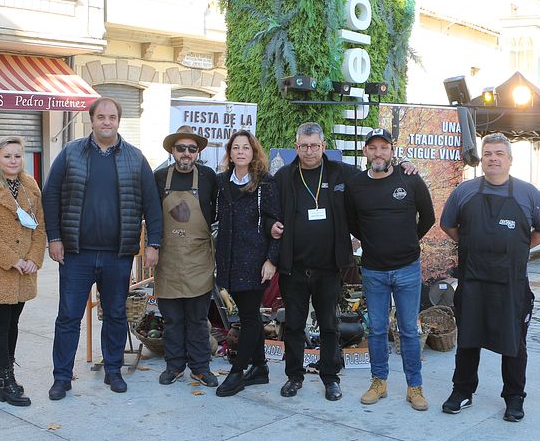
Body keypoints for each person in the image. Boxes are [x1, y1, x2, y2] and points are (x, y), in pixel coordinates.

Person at [271, 123, 417, 401]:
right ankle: (294, 375)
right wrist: (271, 225)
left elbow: (377, 172)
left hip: (329, 266)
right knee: (293, 325)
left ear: (323, 146)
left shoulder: (341, 173)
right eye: (304, 146)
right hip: (294, 266)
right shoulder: (283, 176)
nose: (310, 151)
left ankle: (330, 377)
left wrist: (403, 163)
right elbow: (267, 209)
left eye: (315, 145)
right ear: (296, 146)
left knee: (328, 325)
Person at [42, 97, 162, 400]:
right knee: (68, 316)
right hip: (76, 254)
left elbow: (152, 204)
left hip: (117, 255)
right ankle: (62, 377)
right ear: (91, 120)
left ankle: (113, 370)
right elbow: (51, 195)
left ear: (118, 121)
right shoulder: (71, 153)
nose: (106, 122)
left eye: (112, 117)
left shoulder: (135, 158)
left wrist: (154, 244)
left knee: (115, 315)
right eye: (101, 117)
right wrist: (54, 237)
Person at [440, 133, 540, 422]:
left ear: (510, 160)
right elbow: (448, 225)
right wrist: (470, 243)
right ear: (482, 159)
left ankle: (514, 398)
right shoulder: (464, 192)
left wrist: (519, 247)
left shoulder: (528, 194)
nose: (493, 158)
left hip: (511, 285)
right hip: (473, 281)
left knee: (514, 343)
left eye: (499, 153)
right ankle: (462, 391)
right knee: (468, 340)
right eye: (488, 153)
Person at [346, 129, 435, 411]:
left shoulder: (409, 178)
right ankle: (379, 383)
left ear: (392, 150)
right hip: (373, 270)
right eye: (372, 148)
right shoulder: (356, 185)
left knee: (409, 330)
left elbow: (429, 216)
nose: (378, 153)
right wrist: (375, 243)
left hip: (407, 268)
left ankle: (414, 387)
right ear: (365, 153)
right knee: (376, 329)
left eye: (383, 147)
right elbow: (352, 223)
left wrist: (408, 240)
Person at [0, 136, 46, 407]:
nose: (13, 161)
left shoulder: (30, 186)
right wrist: (13, 260)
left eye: (17, 155)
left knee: (13, 324)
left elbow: (39, 227)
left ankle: (6, 374)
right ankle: (5, 380)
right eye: (7, 156)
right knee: (0, 326)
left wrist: (34, 258)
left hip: (25, 270)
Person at [213, 130, 281, 397]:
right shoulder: (221, 182)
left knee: (250, 316)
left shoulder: (265, 183)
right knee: (245, 314)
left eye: (246, 148)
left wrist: (271, 260)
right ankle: (261, 367)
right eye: (236, 147)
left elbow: (276, 224)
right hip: (229, 258)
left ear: (254, 152)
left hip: (254, 259)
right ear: (230, 153)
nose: (240, 152)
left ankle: (238, 371)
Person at [154, 125, 218, 388]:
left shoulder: (208, 177)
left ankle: (200, 368)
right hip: (168, 258)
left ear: (198, 153)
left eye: (192, 149)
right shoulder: (158, 178)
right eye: (181, 148)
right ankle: (174, 366)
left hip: (198, 259)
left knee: (198, 319)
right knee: (172, 319)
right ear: (172, 150)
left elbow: (216, 214)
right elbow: (150, 214)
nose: (186, 153)